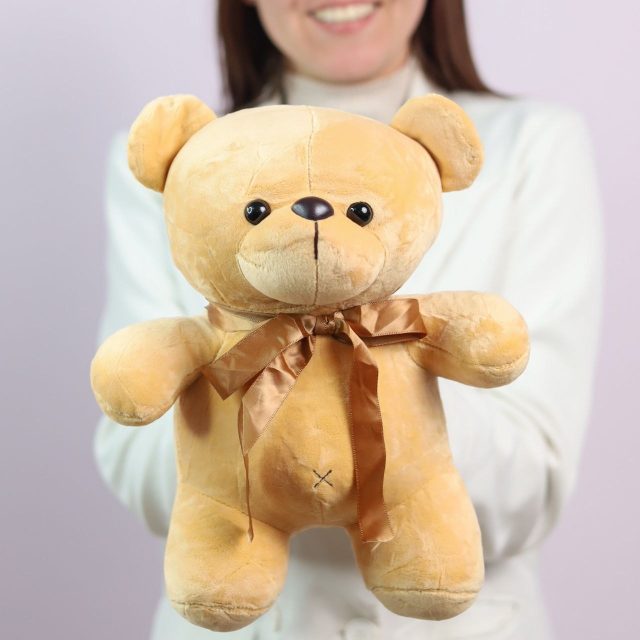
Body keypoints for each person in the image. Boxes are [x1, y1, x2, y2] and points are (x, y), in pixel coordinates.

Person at [94, 1, 603, 638]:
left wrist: (392, 388)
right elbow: (129, 442)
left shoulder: (535, 142)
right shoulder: (192, 164)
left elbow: (536, 478)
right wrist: (250, 420)